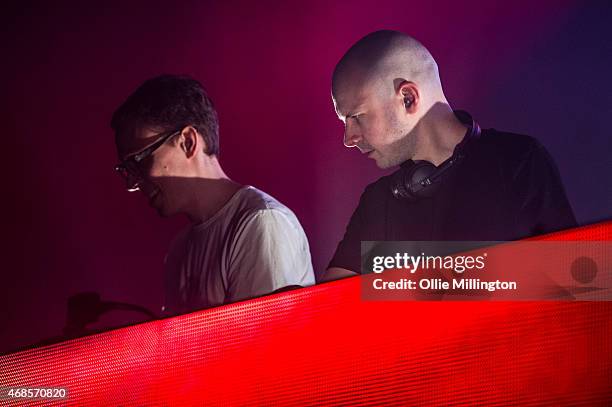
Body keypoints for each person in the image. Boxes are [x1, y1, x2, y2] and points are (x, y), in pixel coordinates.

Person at [323, 30, 577, 281]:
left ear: (408, 98)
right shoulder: (377, 201)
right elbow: (326, 308)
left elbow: (578, 281)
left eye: (356, 117)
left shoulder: (518, 162)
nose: (348, 139)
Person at [111, 75, 315, 314]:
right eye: (128, 170)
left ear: (187, 141)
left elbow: (270, 345)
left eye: (139, 161)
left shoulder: (260, 223)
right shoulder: (178, 250)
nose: (134, 182)